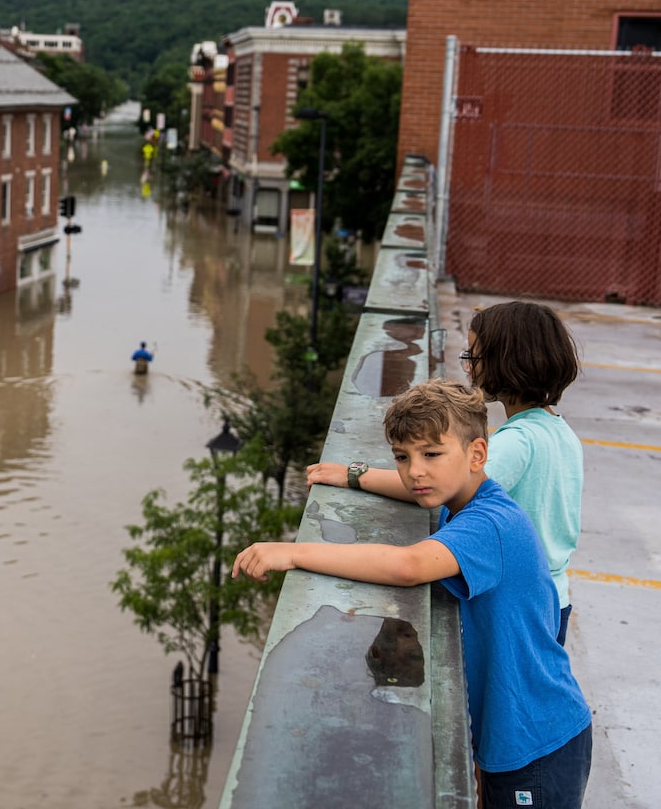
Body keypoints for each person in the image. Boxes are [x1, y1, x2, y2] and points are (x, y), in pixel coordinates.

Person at [234, 379, 592, 808]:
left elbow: (408, 566)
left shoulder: (490, 524)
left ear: (478, 454)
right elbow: (417, 489)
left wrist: (293, 553)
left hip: (537, 741)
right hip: (516, 730)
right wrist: (353, 476)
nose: (415, 471)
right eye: (403, 457)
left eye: (431, 454)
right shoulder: (464, 500)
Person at [306, 301, 583, 644]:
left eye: (474, 356)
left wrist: (356, 476)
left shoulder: (519, 442)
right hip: (554, 595)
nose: (467, 367)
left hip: (523, 606)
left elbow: (440, 486)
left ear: (506, 362)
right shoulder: (559, 431)